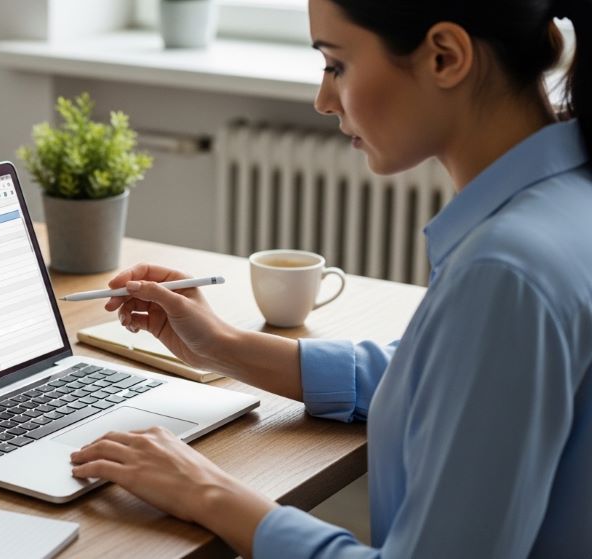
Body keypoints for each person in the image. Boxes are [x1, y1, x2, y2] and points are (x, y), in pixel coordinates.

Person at [68, 0, 592, 556]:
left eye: (336, 64)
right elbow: (440, 382)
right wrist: (223, 346)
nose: (322, 99)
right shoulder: (564, 204)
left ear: (445, 56)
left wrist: (208, 492)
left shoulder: (504, 273)